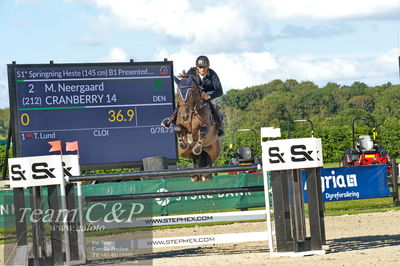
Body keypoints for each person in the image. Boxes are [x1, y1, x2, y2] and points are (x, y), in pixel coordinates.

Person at [161, 55, 225, 136]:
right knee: (183, 103)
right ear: (197, 67)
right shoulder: (191, 73)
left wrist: (208, 96)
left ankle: (220, 127)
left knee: (214, 107)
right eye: (200, 67)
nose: (202, 69)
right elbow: (184, 82)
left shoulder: (212, 74)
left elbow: (220, 91)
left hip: (208, 95)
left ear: (208, 66)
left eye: (204, 67)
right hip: (195, 95)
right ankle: (171, 119)